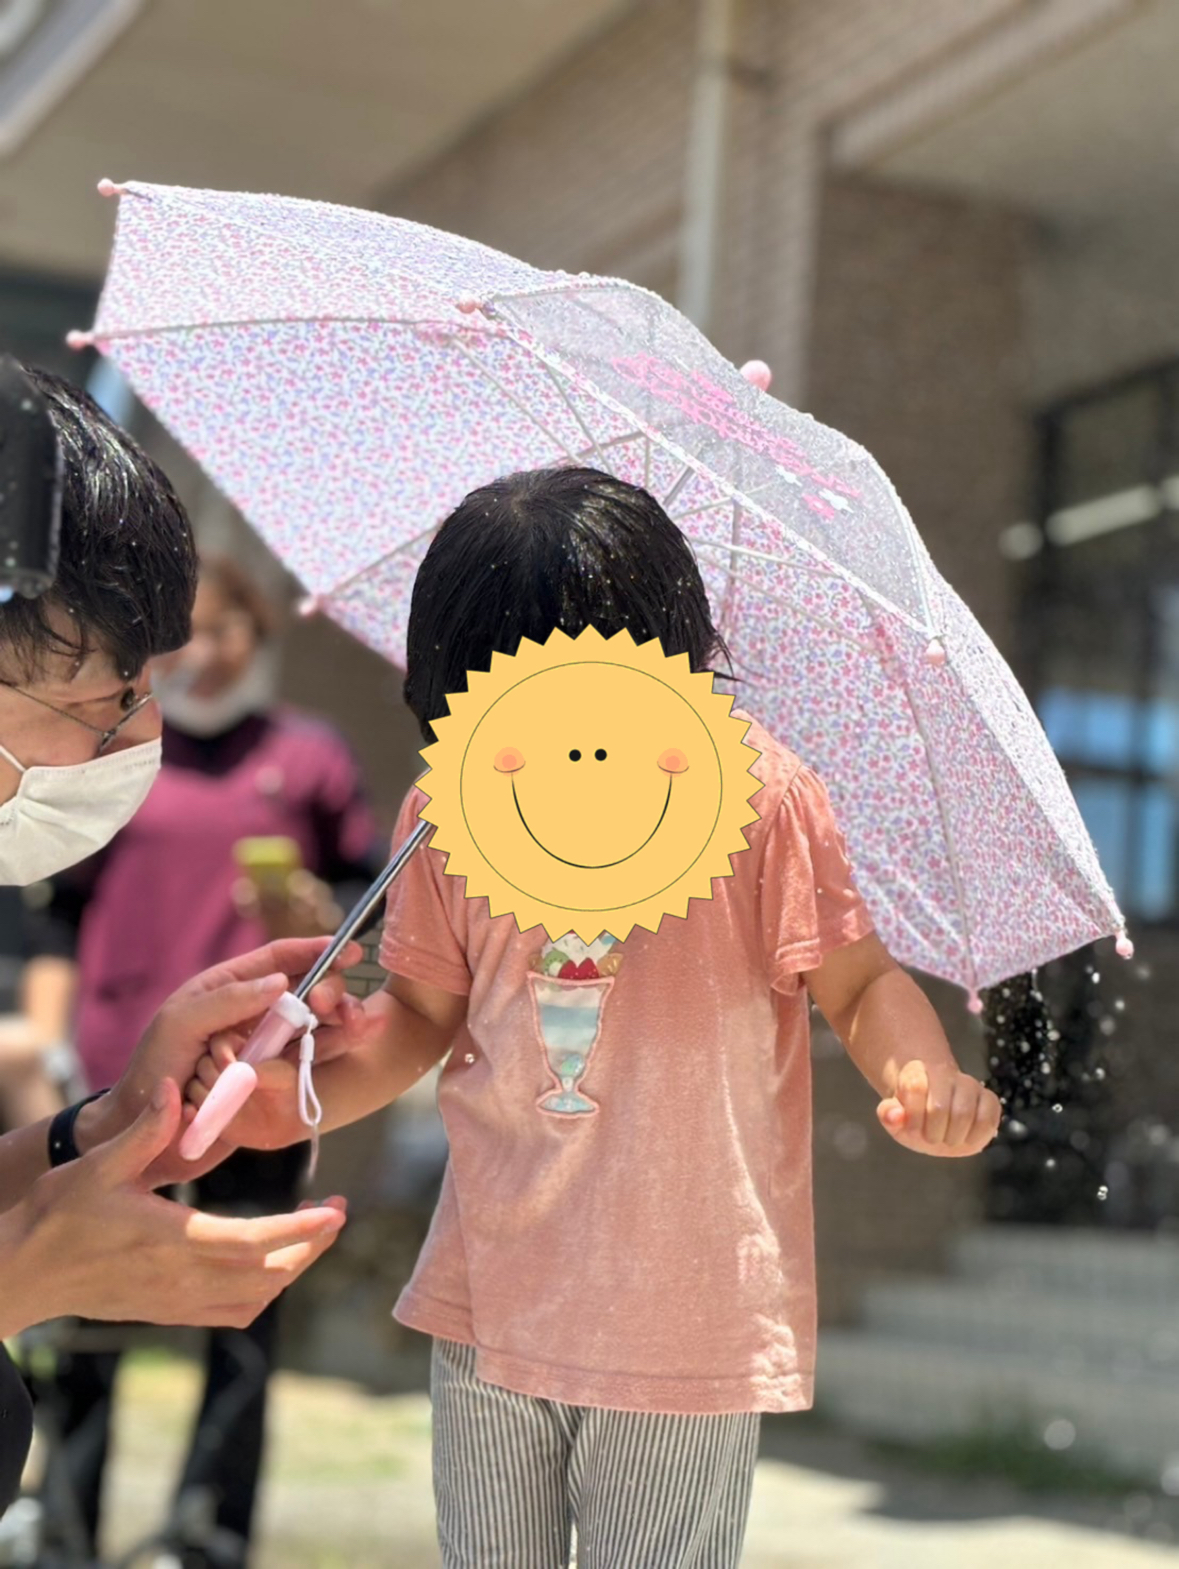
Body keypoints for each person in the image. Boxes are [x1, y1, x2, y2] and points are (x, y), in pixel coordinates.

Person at [188, 467, 1004, 1569]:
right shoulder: (455, 803)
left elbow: (856, 983)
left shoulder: (760, 795)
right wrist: (302, 1092)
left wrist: (919, 1073)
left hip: (684, 1310)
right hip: (494, 1288)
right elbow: (423, 1012)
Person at [0, 367, 371, 1518]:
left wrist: (87, 1134)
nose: (145, 734)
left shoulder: (305, 756)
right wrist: (28, 1268)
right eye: (118, 695)